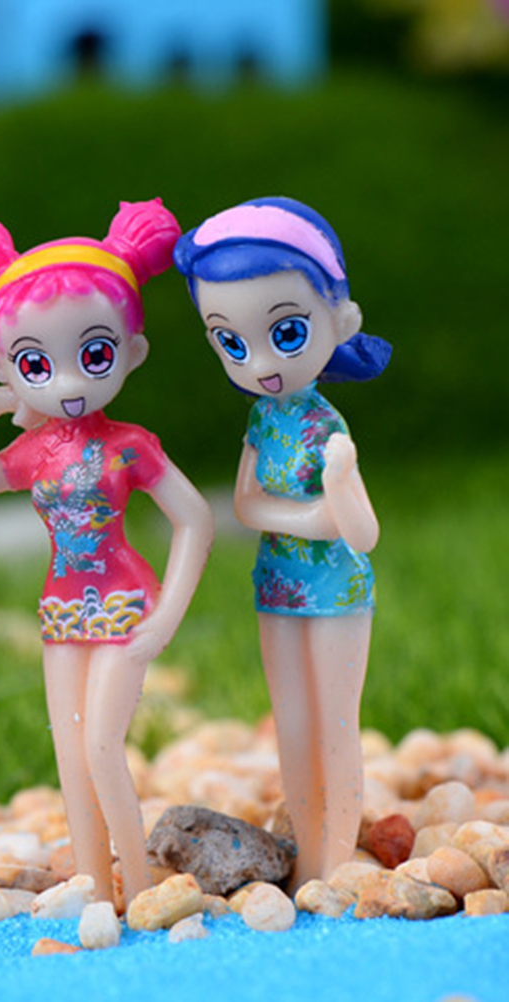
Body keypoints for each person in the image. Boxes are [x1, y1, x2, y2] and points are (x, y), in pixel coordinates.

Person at [0, 199, 214, 905]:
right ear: (5, 365)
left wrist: (166, 617)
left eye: (93, 355)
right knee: (69, 751)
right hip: (62, 610)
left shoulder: (131, 446)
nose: (67, 382)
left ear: (132, 351)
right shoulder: (36, 451)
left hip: (128, 605)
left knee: (100, 745)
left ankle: (142, 884)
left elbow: (195, 520)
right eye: (36, 363)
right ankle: (96, 882)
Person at [174, 196, 390, 886]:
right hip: (276, 585)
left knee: (334, 723)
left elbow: (363, 533)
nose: (260, 363)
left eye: (287, 333)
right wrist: (310, 516)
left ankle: (335, 861)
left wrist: (340, 485)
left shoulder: (329, 428)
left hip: (337, 591)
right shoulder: (263, 422)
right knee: (293, 723)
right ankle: (309, 849)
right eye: (232, 344)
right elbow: (246, 504)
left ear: (340, 320)